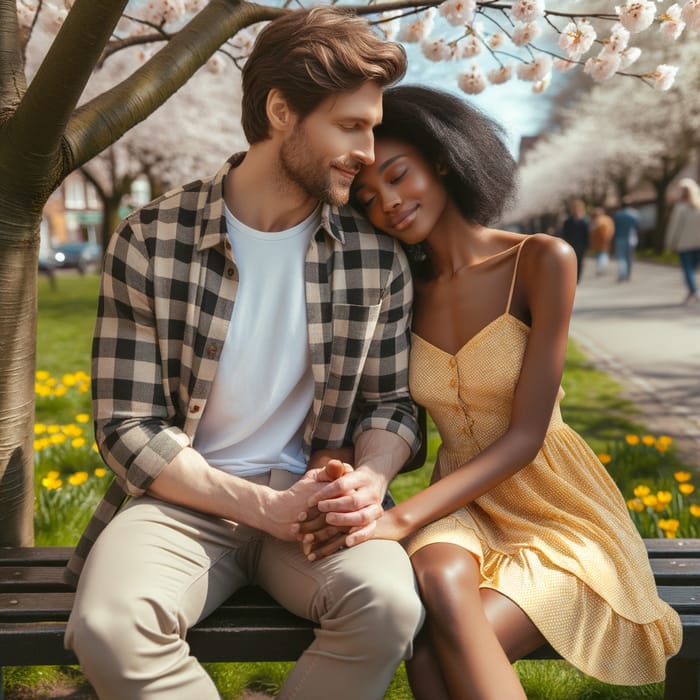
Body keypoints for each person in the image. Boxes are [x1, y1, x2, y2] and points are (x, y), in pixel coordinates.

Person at [62, 9, 425, 700]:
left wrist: (372, 480)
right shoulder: (152, 238)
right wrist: (261, 507)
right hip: (186, 499)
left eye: (372, 128)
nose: (369, 152)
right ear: (281, 110)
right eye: (351, 126)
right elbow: (127, 425)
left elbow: (392, 404)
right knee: (110, 627)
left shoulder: (376, 260)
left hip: (317, 509)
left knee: (388, 607)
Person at [303, 85, 682, 700]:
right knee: (438, 579)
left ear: (443, 161)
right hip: (459, 506)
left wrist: (396, 518)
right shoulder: (401, 289)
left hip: (555, 503)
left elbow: (528, 436)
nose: (390, 204)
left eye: (399, 176)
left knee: (430, 656)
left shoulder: (541, 260)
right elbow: (377, 405)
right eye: (369, 199)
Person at [665, 177, 700, 305]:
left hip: (685, 244)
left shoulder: (680, 208)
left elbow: (674, 228)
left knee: (688, 270)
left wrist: (670, 244)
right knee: (693, 269)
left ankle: (693, 291)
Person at [560, 198, 589, 283]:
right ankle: (571, 276)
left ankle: (577, 278)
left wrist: (586, 245)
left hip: (581, 245)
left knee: (579, 262)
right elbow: (565, 233)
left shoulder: (584, 221)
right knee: (571, 261)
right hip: (570, 244)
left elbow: (586, 234)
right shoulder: (568, 221)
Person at [613, 199, 640, 281]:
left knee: (621, 257)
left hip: (620, 238)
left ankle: (622, 274)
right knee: (629, 257)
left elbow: (615, 227)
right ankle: (628, 275)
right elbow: (637, 226)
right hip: (631, 238)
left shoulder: (618, 215)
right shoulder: (635, 214)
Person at [589, 206, 615, 275]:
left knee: (601, 254)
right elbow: (611, 230)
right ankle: (601, 267)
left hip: (601, 241)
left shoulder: (597, 220)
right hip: (601, 241)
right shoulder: (607, 219)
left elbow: (591, 230)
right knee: (601, 254)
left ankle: (600, 267)